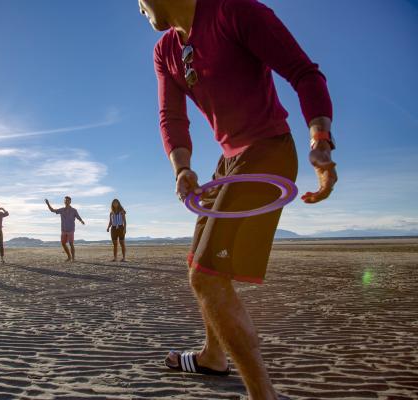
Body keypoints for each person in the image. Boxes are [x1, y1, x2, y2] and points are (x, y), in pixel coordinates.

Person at [139, 0, 338, 398]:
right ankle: (214, 356)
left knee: (207, 278)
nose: (138, 7)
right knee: (199, 263)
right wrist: (182, 168)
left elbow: (304, 73)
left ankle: (264, 395)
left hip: (267, 151)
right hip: (227, 163)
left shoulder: (235, 11)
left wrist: (320, 141)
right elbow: (171, 117)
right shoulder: (165, 50)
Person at [45, 197, 85, 261]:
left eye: (68, 201)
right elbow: (52, 210)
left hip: (71, 229)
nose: (66, 202)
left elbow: (78, 216)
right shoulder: (62, 210)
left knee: (71, 243)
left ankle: (73, 258)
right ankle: (69, 257)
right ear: (64, 201)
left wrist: (81, 221)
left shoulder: (74, 210)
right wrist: (48, 204)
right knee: (63, 243)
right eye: (65, 200)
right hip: (63, 229)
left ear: (70, 202)